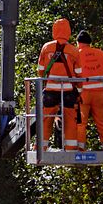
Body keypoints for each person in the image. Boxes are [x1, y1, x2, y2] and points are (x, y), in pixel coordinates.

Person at [37, 18, 82, 151]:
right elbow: (79, 73)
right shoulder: (73, 50)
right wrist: (79, 90)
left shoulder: (47, 47)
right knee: (70, 119)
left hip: (51, 89)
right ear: (68, 31)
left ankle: (41, 147)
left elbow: (40, 70)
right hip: (68, 90)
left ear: (54, 30)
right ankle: (71, 147)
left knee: (46, 119)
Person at [76, 30, 103, 151]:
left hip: (83, 93)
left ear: (78, 42)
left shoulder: (76, 54)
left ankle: (80, 148)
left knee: (80, 123)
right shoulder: (101, 54)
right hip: (100, 93)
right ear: (90, 43)